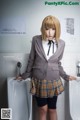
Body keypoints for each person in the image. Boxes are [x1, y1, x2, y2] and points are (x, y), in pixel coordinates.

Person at [17, 15, 76, 120]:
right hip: (39, 80)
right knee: (42, 109)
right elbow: (31, 59)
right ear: (43, 28)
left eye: (53, 29)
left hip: (54, 80)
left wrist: (65, 76)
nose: (49, 32)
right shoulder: (36, 40)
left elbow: (58, 63)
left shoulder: (62, 43)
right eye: (47, 28)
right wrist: (25, 75)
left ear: (57, 30)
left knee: (52, 109)